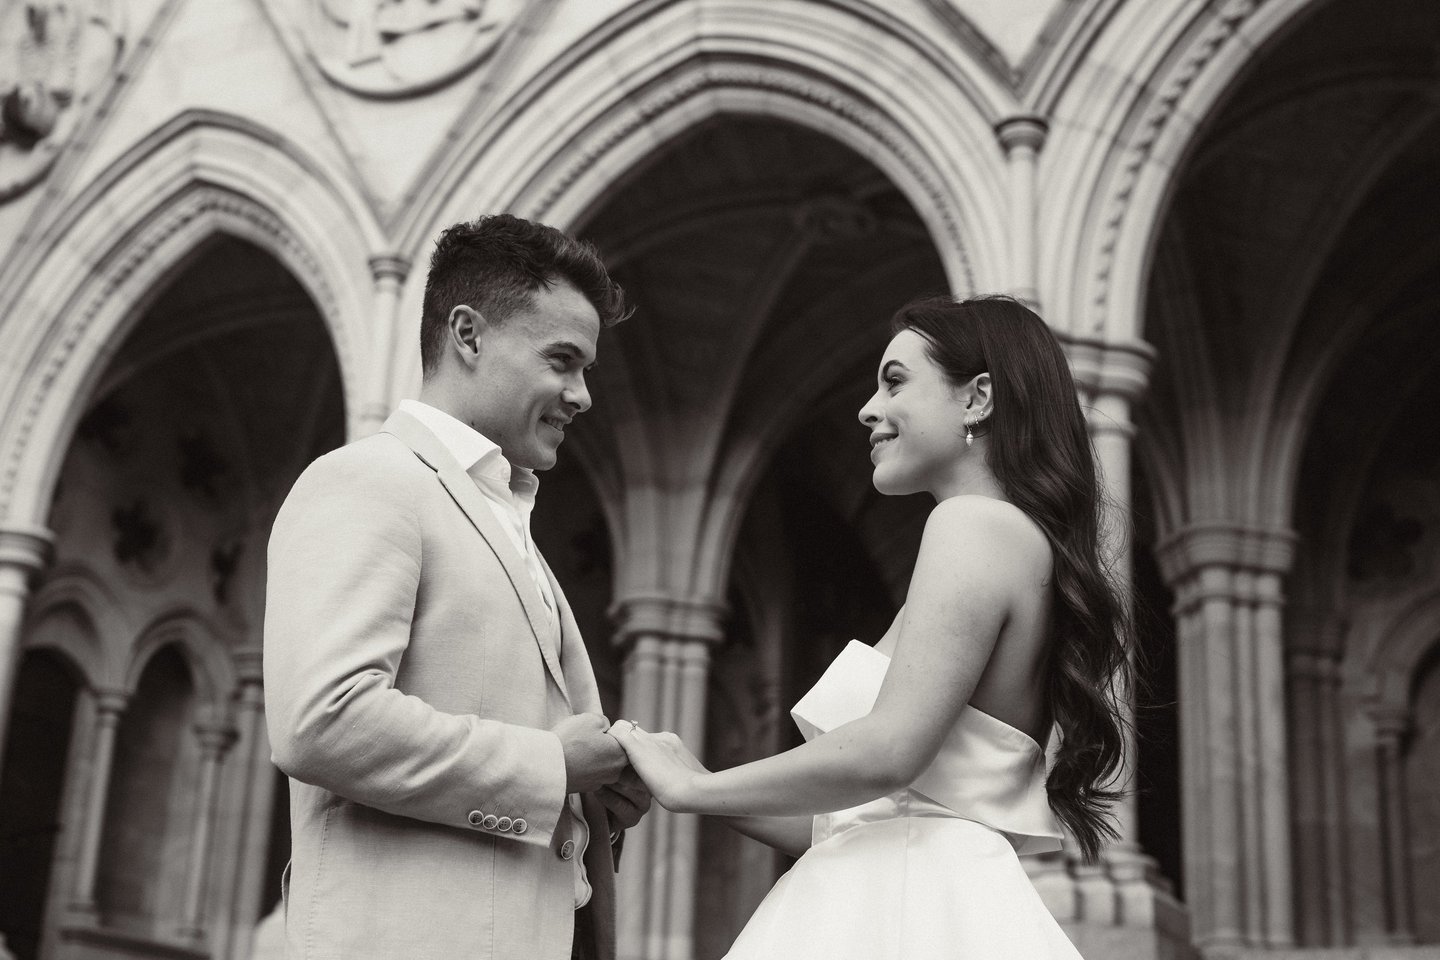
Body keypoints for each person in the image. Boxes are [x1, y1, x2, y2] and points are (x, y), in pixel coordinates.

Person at [610, 295, 1133, 958]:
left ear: (977, 399)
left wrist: (695, 789)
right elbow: (856, 822)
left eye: (895, 381)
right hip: (915, 892)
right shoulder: (1010, 540)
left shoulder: (972, 524)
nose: (868, 408)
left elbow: (889, 751)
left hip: (905, 904)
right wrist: (695, 782)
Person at [264, 214, 650, 960]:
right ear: (467, 336)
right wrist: (551, 766)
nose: (582, 395)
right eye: (563, 361)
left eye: (586, 370)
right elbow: (320, 721)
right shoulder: (368, 481)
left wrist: (590, 801)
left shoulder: (507, 516)